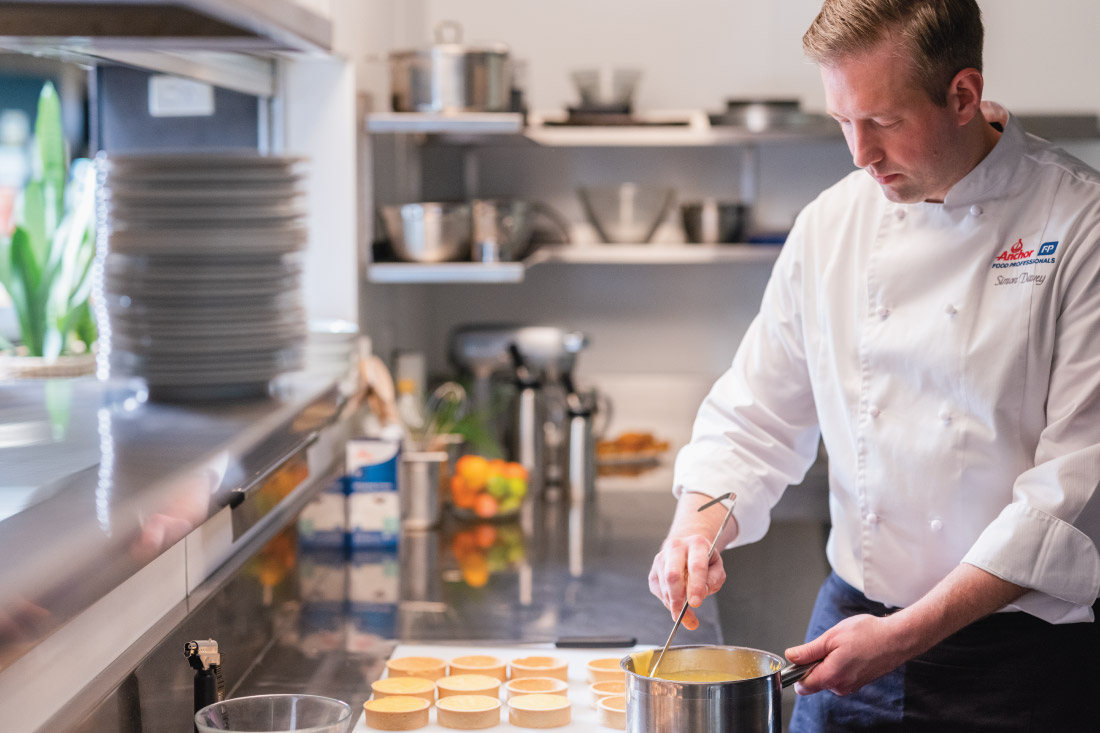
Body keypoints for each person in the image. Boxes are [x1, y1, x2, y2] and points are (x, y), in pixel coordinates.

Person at [648, 0, 1100, 729]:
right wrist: (694, 533)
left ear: (962, 94)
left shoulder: (1081, 226)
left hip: (1018, 659)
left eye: (883, 122)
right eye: (841, 122)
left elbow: (1073, 494)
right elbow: (753, 419)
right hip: (850, 633)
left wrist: (906, 635)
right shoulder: (832, 225)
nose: (859, 154)